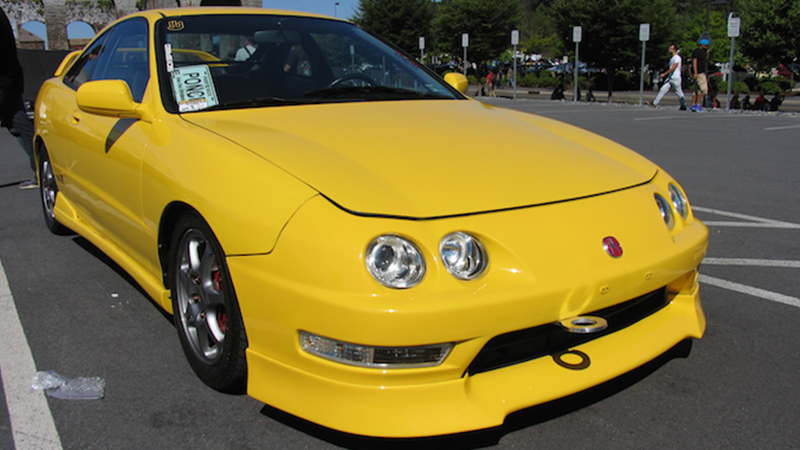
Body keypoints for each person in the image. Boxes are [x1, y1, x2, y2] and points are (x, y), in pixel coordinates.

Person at [1, 7, 36, 189]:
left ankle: (42, 168)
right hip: (9, 80)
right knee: (19, 125)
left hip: (4, 81)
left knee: (19, 125)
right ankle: (41, 168)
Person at [649, 44, 687, 110]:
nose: (669, 49)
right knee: (663, 89)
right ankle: (655, 103)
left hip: (676, 78)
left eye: (671, 48)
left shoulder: (677, 58)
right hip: (670, 78)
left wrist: (664, 74)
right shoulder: (672, 58)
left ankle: (683, 105)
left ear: (674, 49)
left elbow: (673, 68)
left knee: (679, 92)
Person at [690, 38, 710, 112]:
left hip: (701, 72)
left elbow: (706, 60)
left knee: (697, 90)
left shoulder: (704, 52)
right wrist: (695, 72)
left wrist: (708, 53)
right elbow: (694, 62)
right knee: (703, 89)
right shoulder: (697, 52)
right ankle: (697, 105)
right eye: (706, 45)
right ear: (702, 45)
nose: (707, 47)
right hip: (699, 72)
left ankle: (693, 105)